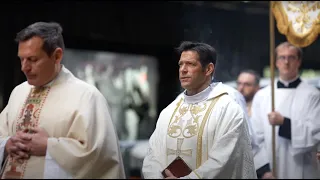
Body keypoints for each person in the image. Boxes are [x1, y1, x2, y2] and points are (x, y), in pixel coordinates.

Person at [0, 22, 126, 179]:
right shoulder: (18, 92)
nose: (24, 68)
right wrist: (7, 145)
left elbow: (100, 156)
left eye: (32, 59)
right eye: (22, 59)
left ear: (57, 56)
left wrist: (50, 147)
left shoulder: (87, 97)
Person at [142, 41, 257, 179]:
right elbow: (153, 155)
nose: (183, 70)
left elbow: (224, 159)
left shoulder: (228, 110)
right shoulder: (169, 111)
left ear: (208, 69)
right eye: (181, 64)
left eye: (191, 64)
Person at [250, 42, 320, 179]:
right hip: (270, 168)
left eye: (291, 57)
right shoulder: (263, 95)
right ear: (276, 62)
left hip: (303, 167)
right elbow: (255, 138)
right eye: (282, 57)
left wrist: (285, 123)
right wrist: (264, 170)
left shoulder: (313, 95)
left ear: (298, 62)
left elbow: (316, 133)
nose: (286, 62)